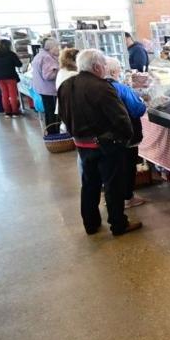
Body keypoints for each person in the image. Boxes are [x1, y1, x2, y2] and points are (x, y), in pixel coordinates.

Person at [57, 49, 141, 236]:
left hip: (81, 144)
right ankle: (118, 224)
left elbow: (62, 114)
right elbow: (121, 117)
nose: (104, 68)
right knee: (113, 186)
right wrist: (125, 139)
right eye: (103, 65)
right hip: (106, 144)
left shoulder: (66, 85)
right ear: (96, 67)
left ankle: (91, 224)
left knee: (89, 184)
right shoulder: (102, 86)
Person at [105, 58, 147, 209]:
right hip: (127, 134)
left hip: (106, 137)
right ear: (114, 71)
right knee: (128, 166)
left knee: (112, 168)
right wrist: (143, 101)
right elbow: (137, 109)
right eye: (119, 69)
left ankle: (114, 198)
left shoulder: (98, 87)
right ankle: (128, 198)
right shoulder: (121, 88)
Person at [32, 37, 61, 134]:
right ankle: (55, 133)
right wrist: (59, 70)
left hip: (42, 89)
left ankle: (51, 131)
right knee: (53, 112)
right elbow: (48, 76)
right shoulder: (47, 57)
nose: (58, 48)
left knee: (49, 111)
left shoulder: (39, 55)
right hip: (49, 90)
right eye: (57, 46)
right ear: (50, 48)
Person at [0, 39, 22, 117]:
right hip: (10, 77)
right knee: (13, 94)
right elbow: (19, 64)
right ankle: (15, 112)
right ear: (9, 46)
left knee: (4, 94)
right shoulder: (11, 54)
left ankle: (7, 112)